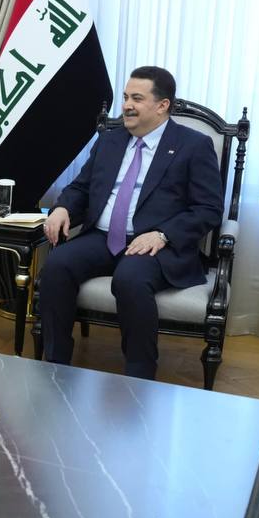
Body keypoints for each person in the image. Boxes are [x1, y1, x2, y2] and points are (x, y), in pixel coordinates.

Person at [39, 66, 223, 380]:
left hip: (155, 245)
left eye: (137, 98)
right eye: (125, 97)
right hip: (103, 237)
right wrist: (62, 208)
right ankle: (54, 366)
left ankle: (139, 377)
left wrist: (163, 234)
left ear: (162, 105)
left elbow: (208, 208)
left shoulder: (193, 145)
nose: (126, 105)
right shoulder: (110, 140)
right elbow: (81, 187)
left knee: (130, 278)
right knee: (57, 265)